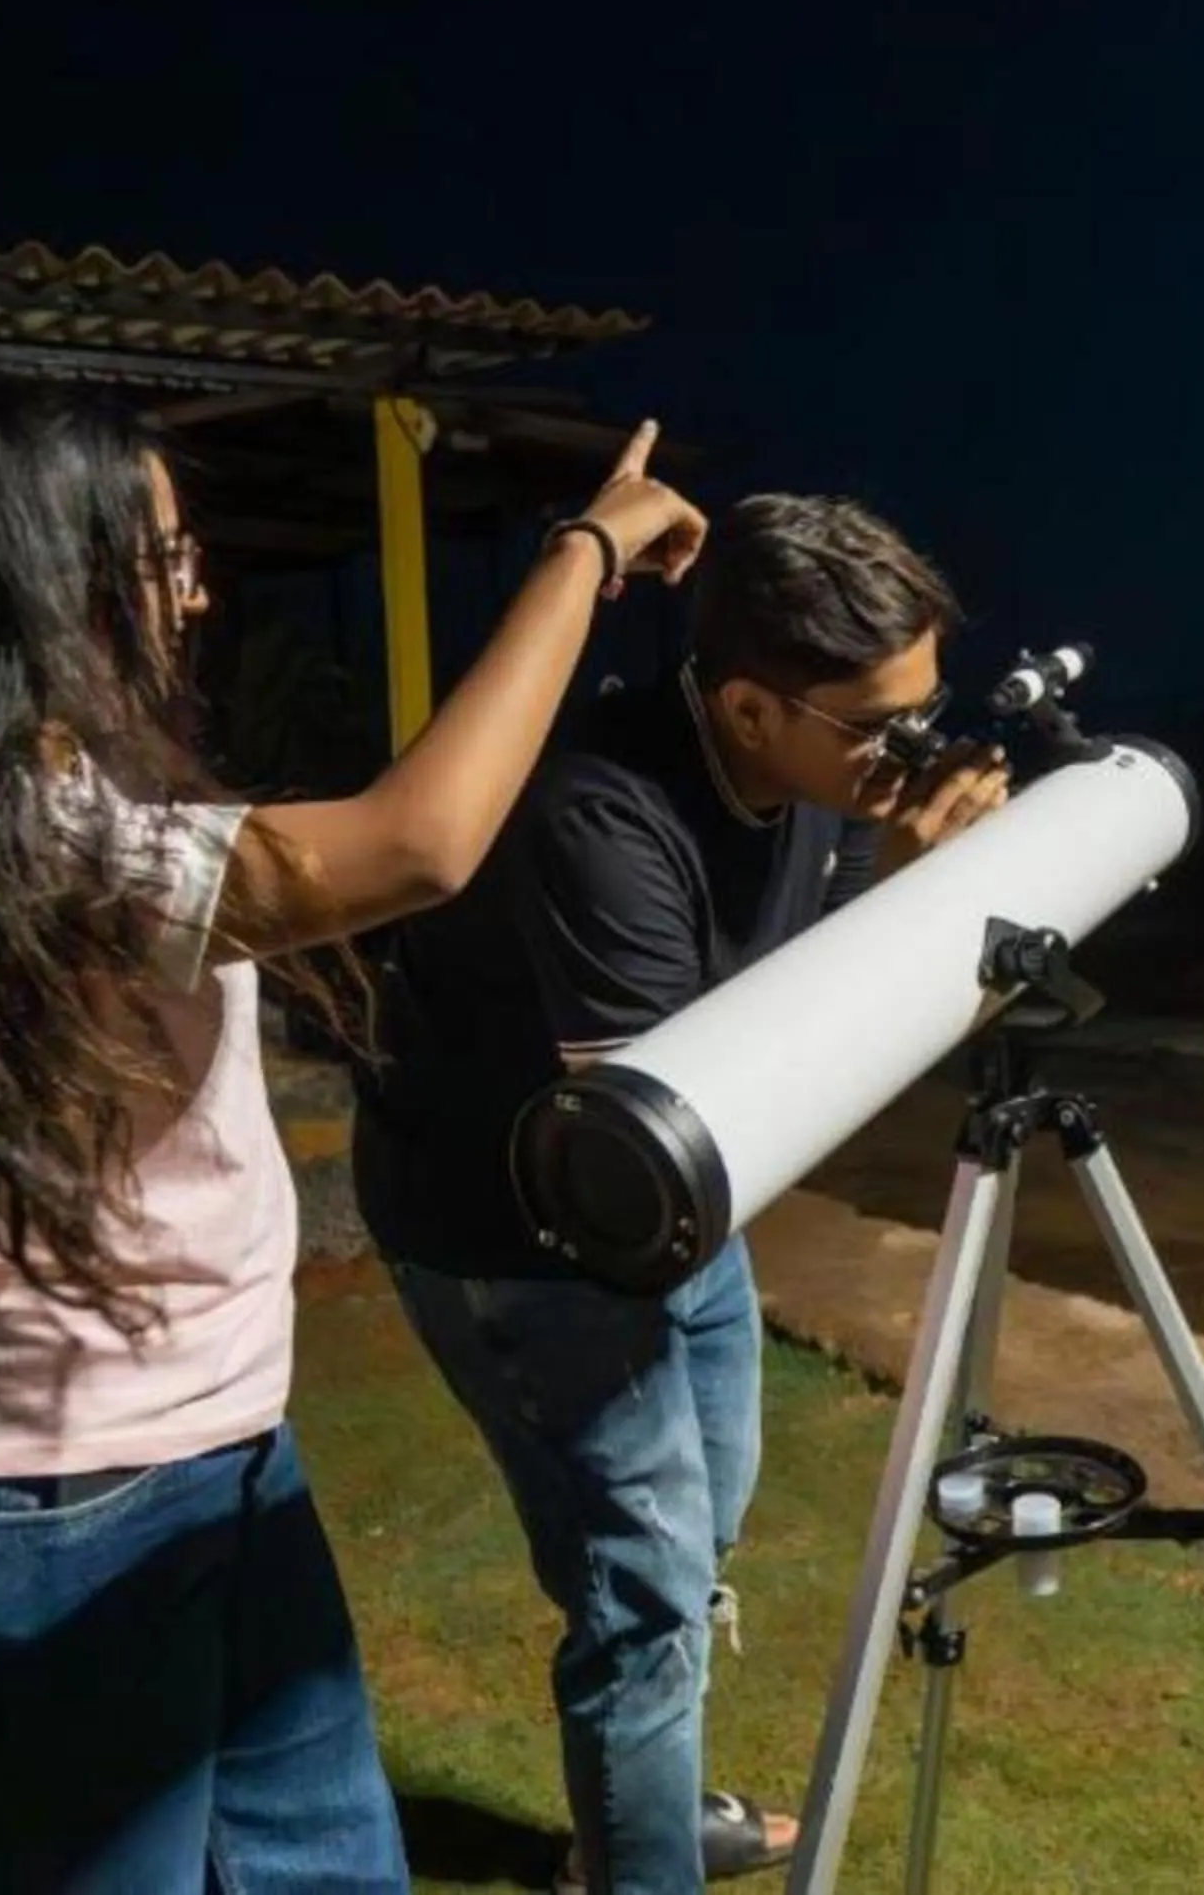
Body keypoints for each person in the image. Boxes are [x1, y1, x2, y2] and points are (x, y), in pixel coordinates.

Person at [0, 369, 705, 1894]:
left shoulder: (7, 807)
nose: (195, 589)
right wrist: (587, 553)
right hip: (9, 1548)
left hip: (207, 1474)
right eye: (159, 557)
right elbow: (422, 839)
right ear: (29, 578)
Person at [354, 493, 1010, 1895]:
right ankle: (636, 1861)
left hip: (676, 1212)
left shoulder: (824, 779)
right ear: (750, 708)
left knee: (703, 1514)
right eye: (876, 723)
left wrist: (901, 880)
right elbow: (700, 1103)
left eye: (926, 708)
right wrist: (913, 905)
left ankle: (637, 1805)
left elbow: (786, 1005)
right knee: (641, 1587)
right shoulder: (598, 809)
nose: (915, 750)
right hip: (528, 1226)